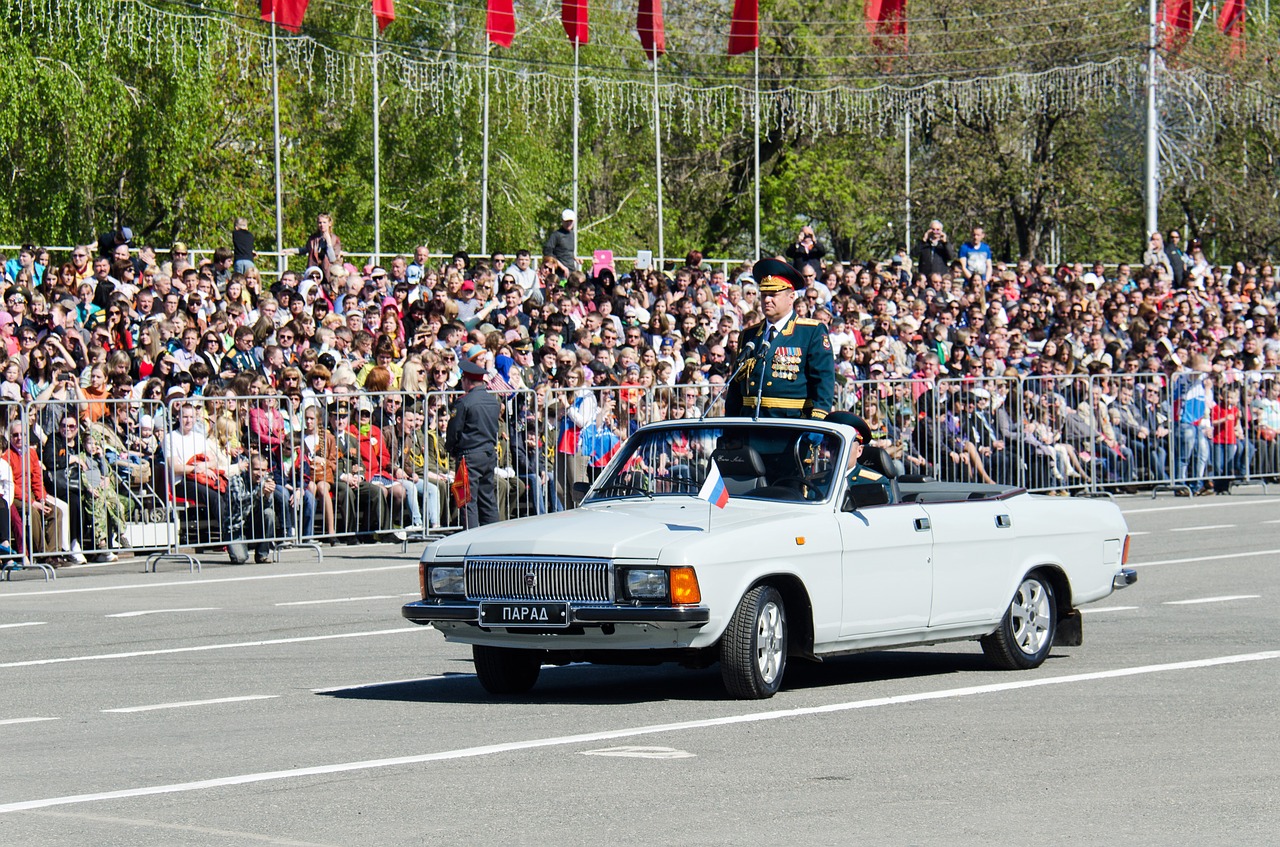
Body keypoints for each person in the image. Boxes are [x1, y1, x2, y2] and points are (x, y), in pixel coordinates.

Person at [725, 258, 835, 420]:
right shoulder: (749, 335)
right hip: (749, 426)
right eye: (764, 295)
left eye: (773, 295)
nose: (767, 300)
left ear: (791, 297)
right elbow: (736, 388)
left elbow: (823, 383)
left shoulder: (811, 332)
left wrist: (817, 423)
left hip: (791, 424)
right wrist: (730, 428)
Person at [446, 360, 501, 528]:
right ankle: (491, 538)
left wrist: (451, 449)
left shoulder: (464, 402)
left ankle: (470, 539)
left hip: (469, 455)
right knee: (487, 500)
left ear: (466, 380)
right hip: (488, 453)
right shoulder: (493, 401)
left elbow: (454, 430)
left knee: (467, 500)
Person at [828, 410, 894, 505]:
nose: (837, 452)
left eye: (845, 447)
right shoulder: (817, 481)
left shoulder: (875, 483)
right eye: (833, 446)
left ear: (859, 451)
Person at [543, 209, 578, 276]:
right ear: (562, 221)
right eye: (566, 221)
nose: (569, 223)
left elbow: (565, 251)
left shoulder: (572, 234)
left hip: (571, 269)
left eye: (570, 221)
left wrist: (574, 258)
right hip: (559, 272)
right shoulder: (556, 235)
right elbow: (547, 252)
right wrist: (562, 267)